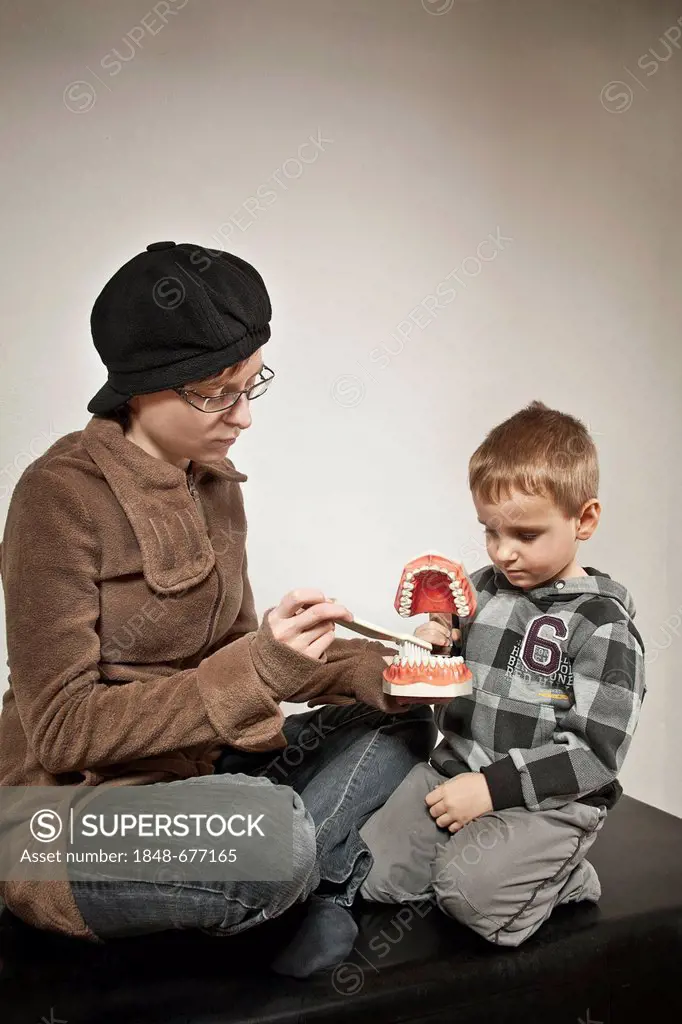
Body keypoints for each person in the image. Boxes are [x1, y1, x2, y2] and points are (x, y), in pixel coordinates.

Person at [0, 241, 435, 977]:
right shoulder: (56, 498)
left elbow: (237, 658)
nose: (243, 417)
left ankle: (295, 886)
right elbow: (63, 733)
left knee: (399, 715)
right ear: (142, 387)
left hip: (201, 778)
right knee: (271, 842)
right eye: (216, 392)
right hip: (64, 818)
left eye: (251, 385)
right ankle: (304, 874)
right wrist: (259, 670)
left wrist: (385, 666)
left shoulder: (215, 483)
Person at [358, 401, 646, 947]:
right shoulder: (480, 589)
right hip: (456, 773)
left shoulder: (602, 626)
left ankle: (564, 877)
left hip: (548, 800)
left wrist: (493, 791)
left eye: (525, 535)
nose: (502, 552)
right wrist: (431, 647)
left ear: (583, 520)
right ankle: (475, 852)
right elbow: (451, 675)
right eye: (490, 532)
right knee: (374, 873)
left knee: (470, 899)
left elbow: (596, 755)